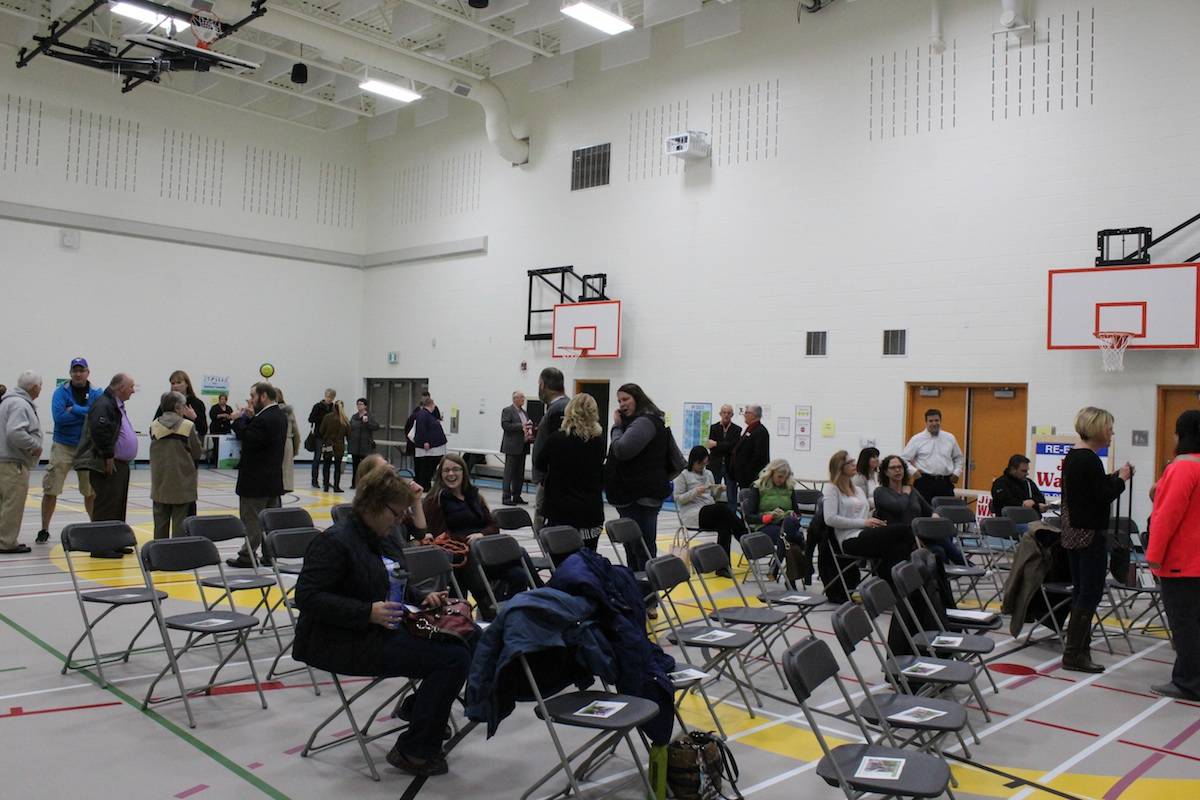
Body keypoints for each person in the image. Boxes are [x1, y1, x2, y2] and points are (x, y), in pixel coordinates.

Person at [292, 456, 469, 777]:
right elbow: (306, 597)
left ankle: (422, 714)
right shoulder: (334, 542)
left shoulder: (386, 535)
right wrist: (366, 613)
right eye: (396, 513)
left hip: (383, 628)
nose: (401, 519)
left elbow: (395, 578)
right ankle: (414, 750)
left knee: (464, 640)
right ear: (372, 505)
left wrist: (421, 597)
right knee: (452, 659)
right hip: (342, 639)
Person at [1059, 406, 1132, 674]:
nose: (1112, 433)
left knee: (1081, 592)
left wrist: (1112, 478)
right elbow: (1099, 496)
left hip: (1073, 532)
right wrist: (1121, 480)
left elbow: (1090, 490)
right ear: (1098, 429)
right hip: (1089, 534)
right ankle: (1075, 653)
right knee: (1089, 593)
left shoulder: (1074, 457)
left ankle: (1078, 650)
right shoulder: (1088, 459)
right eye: (1109, 428)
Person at [422, 453, 523, 619]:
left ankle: (514, 612)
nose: (451, 474)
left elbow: (493, 526)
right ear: (440, 474)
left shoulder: (475, 496)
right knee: (472, 558)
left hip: (485, 552)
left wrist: (480, 534)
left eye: (455, 469)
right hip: (461, 557)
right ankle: (488, 608)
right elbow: (440, 538)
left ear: (464, 472)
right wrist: (469, 539)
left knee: (518, 570)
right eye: (446, 470)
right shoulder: (435, 501)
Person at [1146, 410, 1200, 700]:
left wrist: (1154, 555)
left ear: (1180, 435)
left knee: (1184, 625)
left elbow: (1167, 516)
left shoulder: (1182, 467)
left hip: (1184, 562)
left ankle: (1188, 682)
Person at [605, 383, 679, 572]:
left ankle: (646, 592)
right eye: (619, 400)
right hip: (638, 493)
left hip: (639, 495)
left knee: (641, 548)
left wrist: (616, 427)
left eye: (626, 399)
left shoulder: (644, 422)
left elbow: (622, 449)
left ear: (637, 398)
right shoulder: (652, 420)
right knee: (635, 547)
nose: (621, 404)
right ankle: (640, 591)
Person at [824, 450, 913, 582]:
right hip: (849, 539)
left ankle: (892, 590)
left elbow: (866, 511)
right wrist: (864, 523)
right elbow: (830, 519)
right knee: (903, 529)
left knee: (899, 549)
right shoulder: (832, 489)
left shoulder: (858, 490)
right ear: (840, 467)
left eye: (853, 461)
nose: (854, 464)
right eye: (849, 463)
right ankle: (914, 569)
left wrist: (874, 521)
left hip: (866, 532)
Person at [38, 358, 100, 542]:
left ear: (88, 372)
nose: (78, 374)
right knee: (51, 487)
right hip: (63, 444)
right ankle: (44, 528)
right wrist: (84, 412)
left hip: (86, 445)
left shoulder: (97, 392)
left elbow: (96, 415)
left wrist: (73, 409)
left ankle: (96, 526)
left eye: (82, 370)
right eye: (75, 371)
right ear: (70, 373)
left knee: (90, 490)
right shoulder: (60, 392)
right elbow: (59, 418)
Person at [227, 382, 287, 568]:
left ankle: (247, 556)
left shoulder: (264, 419)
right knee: (270, 521)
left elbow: (248, 437)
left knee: (252, 520)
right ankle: (270, 556)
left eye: (253, 396)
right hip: (272, 480)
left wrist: (237, 420)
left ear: (263, 396)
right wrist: (251, 418)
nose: (250, 401)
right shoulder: (279, 415)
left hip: (255, 481)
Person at [534, 393, 605, 549]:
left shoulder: (556, 439)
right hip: (590, 510)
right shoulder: (599, 441)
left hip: (560, 509)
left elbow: (539, 464)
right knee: (588, 558)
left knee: (561, 559)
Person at [74, 373, 138, 537]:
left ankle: (116, 541)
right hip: (107, 462)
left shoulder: (115, 404)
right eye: (131, 387)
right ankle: (102, 545)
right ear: (121, 388)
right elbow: (99, 430)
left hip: (120, 463)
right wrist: (108, 456)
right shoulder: (104, 404)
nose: (133, 391)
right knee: (106, 506)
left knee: (117, 505)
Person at [873, 454, 962, 568]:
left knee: (939, 550)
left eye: (900, 467)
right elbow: (900, 507)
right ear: (885, 472)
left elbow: (929, 509)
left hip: (920, 535)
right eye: (893, 468)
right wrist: (905, 493)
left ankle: (942, 581)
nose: (897, 470)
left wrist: (934, 514)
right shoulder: (881, 492)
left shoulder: (912, 490)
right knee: (940, 538)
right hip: (901, 535)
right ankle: (963, 564)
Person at [675, 446, 743, 574]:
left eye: (705, 464)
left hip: (709, 511)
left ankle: (723, 567)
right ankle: (743, 535)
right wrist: (695, 492)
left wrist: (719, 491)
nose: (702, 467)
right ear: (693, 461)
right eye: (700, 464)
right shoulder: (683, 476)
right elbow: (678, 499)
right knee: (722, 509)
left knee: (725, 525)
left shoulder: (708, 474)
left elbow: (714, 497)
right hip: (693, 513)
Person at [149, 391, 202, 540]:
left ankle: (159, 553)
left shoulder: (154, 425)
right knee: (180, 523)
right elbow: (197, 452)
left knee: (160, 523)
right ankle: (176, 555)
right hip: (182, 482)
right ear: (178, 408)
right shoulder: (187, 426)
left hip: (160, 482)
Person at [0, 372, 43, 554]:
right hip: (13, 463)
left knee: (3, 503)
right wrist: (35, 446)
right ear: (34, 387)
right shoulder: (19, 404)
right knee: (13, 503)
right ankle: (6, 542)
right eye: (40, 386)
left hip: (5, 460)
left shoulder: (7, 401)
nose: (40, 389)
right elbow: (15, 432)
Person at [530, 368, 569, 532]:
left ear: (542, 385)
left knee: (545, 530)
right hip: (552, 479)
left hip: (551, 482)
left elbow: (558, 448)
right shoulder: (560, 407)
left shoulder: (558, 409)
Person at [745, 459, 803, 564]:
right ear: (771, 473)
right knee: (794, 537)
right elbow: (749, 517)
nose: (782, 480)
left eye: (785, 477)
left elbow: (797, 514)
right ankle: (799, 570)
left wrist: (791, 514)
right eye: (780, 476)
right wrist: (768, 516)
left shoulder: (789, 487)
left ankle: (776, 567)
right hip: (765, 525)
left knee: (787, 529)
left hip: (785, 524)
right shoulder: (758, 486)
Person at [902, 409, 964, 503]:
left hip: (945, 482)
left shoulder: (950, 438)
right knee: (923, 514)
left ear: (940, 421)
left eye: (936, 420)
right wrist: (913, 471)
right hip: (924, 482)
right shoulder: (917, 439)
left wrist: (956, 473)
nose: (934, 423)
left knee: (946, 512)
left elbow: (958, 458)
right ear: (926, 422)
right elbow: (903, 459)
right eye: (931, 421)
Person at [499, 391, 533, 506]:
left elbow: (526, 426)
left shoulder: (524, 412)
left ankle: (517, 496)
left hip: (523, 446)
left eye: (523, 397)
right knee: (509, 473)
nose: (523, 399)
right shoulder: (507, 410)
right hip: (512, 447)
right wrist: (521, 426)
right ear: (515, 399)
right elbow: (505, 425)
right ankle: (506, 497)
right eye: (521, 397)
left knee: (520, 473)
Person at [706, 404, 742, 511]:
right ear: (720, 414)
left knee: (731, 495)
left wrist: (717, 444)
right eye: (724, 412)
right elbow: (711, 448)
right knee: (712, 493)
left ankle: (732, 519)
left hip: (730, 466)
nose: (726, 415)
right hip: (715, 465)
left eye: (729, 413)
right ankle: (712, 516)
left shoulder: (737, 429)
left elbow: (734, 447)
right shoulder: (713, 428)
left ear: (732, 415)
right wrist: (725, 446)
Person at [730, 404, 770, 498]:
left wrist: (746, 472)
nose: (744, 415)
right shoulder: (751, 429)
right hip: (744, 477)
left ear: (753, 415)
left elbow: (758, 456)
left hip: (751, 477)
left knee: (749, 502)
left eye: (746, 413)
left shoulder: (760, 431)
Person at [411, 393, 447, 491]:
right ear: (430, 405)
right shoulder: (423, 414)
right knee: (428, 466)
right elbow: (421, 429)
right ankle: (425, 485)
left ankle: (426, 484)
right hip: (430, 447)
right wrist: (425, 442)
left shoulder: (427, 415)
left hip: (434, 445)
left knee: (429, 466)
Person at [347, 397, 380, 490]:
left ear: (365, 406)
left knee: (366, 466)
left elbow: (376, 427)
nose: (359, 406)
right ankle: (354, 483)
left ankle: (366, 484)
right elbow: (350, 428)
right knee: (355, 466)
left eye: (361, 404)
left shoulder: (370, 416)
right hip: (355, 445)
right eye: (358, 404)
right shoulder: (354, 417)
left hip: (365, 445)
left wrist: (367, 422)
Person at [307, 389, 336, 489]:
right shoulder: (318, 406)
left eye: (331, 397)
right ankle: (314, 480)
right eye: (328, 397)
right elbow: (311, 419)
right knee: (317, 458)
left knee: (327, 459)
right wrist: (324, 418)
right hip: (319, 436)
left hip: (328, 437)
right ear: (325, 396)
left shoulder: (333, 407)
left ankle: (326, 481)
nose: (329, 399)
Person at [319, 399, 349, 493]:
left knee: (326, 466)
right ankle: (336, 487)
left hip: (328, 444)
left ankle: (326, 486)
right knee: (337, 467)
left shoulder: (327, 417)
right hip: (339, 446)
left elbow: (321, 431)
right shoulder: (344, 419)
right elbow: (349, 434)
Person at [276, 389, 302, 495]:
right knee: (285, 474)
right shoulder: (289, 412)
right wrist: (295, 450)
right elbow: (296, 432)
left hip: (276, 442)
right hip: (288, 442)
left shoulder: (270, 412)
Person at [208, 392, 235, 468]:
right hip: (216, 428)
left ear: (226, 400)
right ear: (219, 400)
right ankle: (216, 462)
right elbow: (212, 416)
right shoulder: (214, 407)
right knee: (216, 445)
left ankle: (225, 462)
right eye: (221, 399)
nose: (223, 401)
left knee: (226, 446)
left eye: (224, 399)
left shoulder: (229, 408)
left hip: (226, 429)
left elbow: (232, 417)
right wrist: (222, 415)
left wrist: (229, 416)